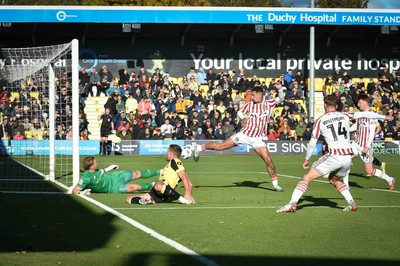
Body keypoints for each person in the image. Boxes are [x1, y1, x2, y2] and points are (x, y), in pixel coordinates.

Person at [193, 84, 286, 192]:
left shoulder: (268, 104)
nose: (251, 97)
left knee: (268, 161)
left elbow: (281, 98)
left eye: (253, 95)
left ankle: (275, 185)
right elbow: (240, 112)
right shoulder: (250, 105)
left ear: (259, 95)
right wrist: (244, 119)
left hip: (257, 139)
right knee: (221, 147)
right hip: (244, 135)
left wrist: (279, 89)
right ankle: (199, 148)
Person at [277, 94, 358, 213]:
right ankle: (352, 203)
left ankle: (292, 203)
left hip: (335, 156)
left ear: (325, 105)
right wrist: (382, 117)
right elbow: (362, 114)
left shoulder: (321, 120)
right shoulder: (345, 115)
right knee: (334, 180)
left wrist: (307, 159)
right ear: (336, 105)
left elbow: (312, 142)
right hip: (347, 158)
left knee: (306, 177)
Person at [343, 94, 395, 190]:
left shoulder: (371, 114)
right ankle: (345, 186)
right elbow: (357, 126)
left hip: (364, 146)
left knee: (369, 170)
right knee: (346, 160)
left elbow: (371, 132)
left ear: (366, 103)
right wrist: (347, 130)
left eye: (360, 102)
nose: (358, 105)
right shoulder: (361, 113)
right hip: (356, 143)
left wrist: (367, 146)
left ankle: (389, 179)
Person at [126, 144, 195, 205]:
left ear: (170, 154)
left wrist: (188, 193)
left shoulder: (176, 162)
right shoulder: (171, 165)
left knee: (158, 185)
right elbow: (190, 184)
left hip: (161, 188)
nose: (166, 154)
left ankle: (181, 199)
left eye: (167, 152)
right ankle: (146, 200)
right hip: (158, 193)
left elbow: (183, 177)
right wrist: (189, 193)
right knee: (128, 199)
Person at [69, 156, 160, 195]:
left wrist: (110, 167)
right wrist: (81, 193)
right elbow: (75, 190)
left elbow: (102, 171)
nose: (98, 162)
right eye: (96, 162)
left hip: (116, 176)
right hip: (113, 188)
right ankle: (154, 185)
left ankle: (161, 171)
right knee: (135, 187)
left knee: (136, 173)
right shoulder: (86, 177)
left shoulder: (95, 170)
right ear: (92, 166)